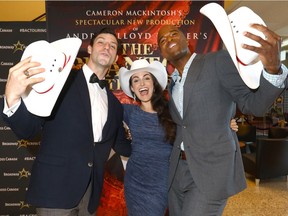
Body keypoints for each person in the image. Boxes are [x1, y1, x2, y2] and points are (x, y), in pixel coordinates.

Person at [157, 24, 288, 215]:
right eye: (162, 39)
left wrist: (273, 70)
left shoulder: (217, 60)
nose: (168, 39)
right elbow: (185, 124)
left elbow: (252, 104)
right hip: (178, 172)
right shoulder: (172, 83)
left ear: (187, 40)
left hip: (212, 171)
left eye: (173, 34)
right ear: (162, 52)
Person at [1, 28, 131, 215]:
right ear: (90, 48)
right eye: (101, 42)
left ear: (116, 56)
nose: (107, 47)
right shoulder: (60, 79)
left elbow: (123, 146)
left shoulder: (115, 105)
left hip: (90, 196)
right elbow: (28, 129)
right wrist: (12, 99)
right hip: (55, 190)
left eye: (113, 46)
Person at [117, 59, 240, 216]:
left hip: (163, 181)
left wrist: (225, 123)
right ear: (132, 88)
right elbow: (101, 114)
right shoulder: (127, 111)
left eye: (146, 78)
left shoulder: (171, 110)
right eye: (136, 80)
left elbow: (201, 118)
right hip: (135, 181)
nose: (142, 83)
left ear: (153, 84)